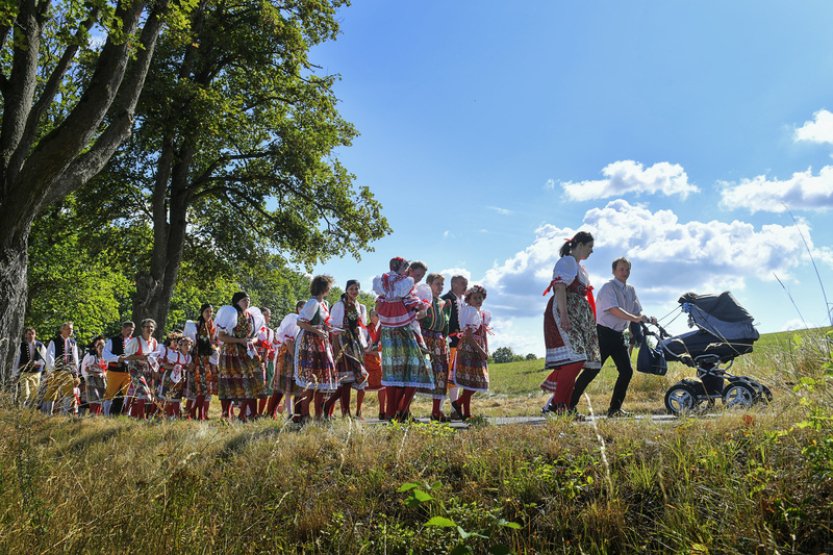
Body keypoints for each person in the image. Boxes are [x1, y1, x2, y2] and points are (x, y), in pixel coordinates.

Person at [570, 257, 656, 417]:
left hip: (617, 336)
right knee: (591, 371)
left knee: (626, 371)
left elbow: (637, 312)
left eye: (627, 269)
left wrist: (647, 318)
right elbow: (614, 310)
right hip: (602, 334)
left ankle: (614, 409)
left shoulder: (630, 290)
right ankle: (569, 407)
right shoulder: (608, 288)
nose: (625, 272)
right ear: (614, 271)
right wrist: (635, 318)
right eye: (621, 269)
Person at [540, 231, 601, 416]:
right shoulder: (567, 262)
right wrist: (564, 315)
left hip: (577, 315)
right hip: (564, 312)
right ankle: (558, 406)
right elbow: (559, 288)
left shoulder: (579, 267)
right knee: (575, 359)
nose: (592, 251)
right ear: (580, 244)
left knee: (577, 360)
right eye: (590, 247)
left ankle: (564, 408)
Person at [373, 257, 433, 421]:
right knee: (397, 371)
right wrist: (410, 311)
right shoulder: (400, 285)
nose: (419, 278)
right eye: (417, 274)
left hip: (408, 328)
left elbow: (423, 312)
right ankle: (394, 411)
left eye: (422, 275)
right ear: (409, 270)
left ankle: (402, 411)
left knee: (411, 370)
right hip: (399, 330)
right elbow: (378, 308)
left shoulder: (405, 286)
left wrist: (415, 312)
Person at [294, 275, 338, 422]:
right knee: (310, 380)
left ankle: (318, 415)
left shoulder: (323, 303)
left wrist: (334, 330)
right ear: (324, 288)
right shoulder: (312, 303)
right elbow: (300, 322)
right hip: (310, 343)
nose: (329, 290)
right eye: (329, 287)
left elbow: (324, 323)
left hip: (321, 343)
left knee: (320, 379)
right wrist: (318, 331)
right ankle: (304, 414)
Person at [216, 292, 263, 421]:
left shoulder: (252, 316)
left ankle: (249, 415)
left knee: (251, 381)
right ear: (237, 301)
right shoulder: (231, 313)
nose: (247, 302)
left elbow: (255, 337)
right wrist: (240, 341)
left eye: (248, 300)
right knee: (229, 383)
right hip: (231, 353)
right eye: (243, 300)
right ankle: (226, 415)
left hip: (247, 352)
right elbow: (221, 336)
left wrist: (250, 341)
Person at [327, 280, 369, 418]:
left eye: (356, 289)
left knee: (352, 379)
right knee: (346, 379)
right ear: (346, 290)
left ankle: (331, 406)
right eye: (351, 288)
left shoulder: (357, 305)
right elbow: (333, 326)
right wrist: (337, 347)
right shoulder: (340, 305)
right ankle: (344, 412)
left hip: (353, 342)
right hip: (341, 342)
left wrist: (358, 332)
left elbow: (359, 324)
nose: (354, 291)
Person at [450, 285, 490, 420]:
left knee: (470, 382)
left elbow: (483, 334)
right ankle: (458, 403)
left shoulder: (479, 313)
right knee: (476, 381)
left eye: (480, 297)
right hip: (469, 348)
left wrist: (485, 348)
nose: (478, 300)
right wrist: (480, 350)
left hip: (475, 347)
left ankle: (466, 413)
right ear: (469, 300)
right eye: (475, 298)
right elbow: (467, 334)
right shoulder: (470, 312)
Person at [417, 273, 452, 421]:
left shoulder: (445, 304)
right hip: (423, 339)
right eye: (437, 283)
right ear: (429, 284)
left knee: (441, 374)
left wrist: (444, 340)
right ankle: (402, 410)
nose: (440, 287)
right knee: (417, 373)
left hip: (439, 341)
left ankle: (436, 411)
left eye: (442, 284)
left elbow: (446, 326)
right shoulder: (422, 301)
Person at [266, 300, 305, 419]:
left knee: (299, 386)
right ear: (297, 308)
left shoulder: (308, 322)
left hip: (300, 354)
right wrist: (295, 356)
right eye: (302, 307)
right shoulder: (294, 319)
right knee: (282, 385)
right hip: (289, 354)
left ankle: (297, 415)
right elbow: (287, 340)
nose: (304, 310)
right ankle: (270, 412)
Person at [185, 304, 218, 420]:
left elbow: (215, 343)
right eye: (207, 311)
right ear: (202, 312)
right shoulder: (195, 326)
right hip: (197, 360)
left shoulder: (212, 327)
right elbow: (189, 345)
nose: (209, 314)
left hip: (208, 361)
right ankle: (191, 413)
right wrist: (190, 361)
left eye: (211, 311)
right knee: (198, 388)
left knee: (206, 389)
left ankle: (201, 414)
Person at [442, 275, 468, 409]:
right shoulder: (446, 299)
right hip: (449, 343)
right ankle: (439, 409)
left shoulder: (463, 301)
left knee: (455, 377)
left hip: (459, 344)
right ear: (454, 285)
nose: (466, 286)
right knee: (446, 377)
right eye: (463, 283)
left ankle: (454, 408)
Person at [124, 319, 159, 419]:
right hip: (135, 369)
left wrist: (155, 371)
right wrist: (140, 357)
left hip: (148, 370)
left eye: (151, 327)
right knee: (143, 392)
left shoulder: (154, 342)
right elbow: (126, 356)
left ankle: (134, 415)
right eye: (147, 326)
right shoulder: (135, 341)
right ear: (142, 328)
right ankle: (140, 417)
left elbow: (154, 358)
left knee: (149, 394)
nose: (149, 329)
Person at [43, 321, 80, 415]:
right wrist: (51, 371)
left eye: (71, 329)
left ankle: (65, 413)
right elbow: (49, 356)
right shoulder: (54, 341)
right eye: (68, 329)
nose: (70, 331)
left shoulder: (73, 342)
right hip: (56, 371)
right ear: (62, 330)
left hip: (68, 372)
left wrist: (76, 372)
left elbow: (75, 358)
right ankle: (48, 414)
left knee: (69, 392)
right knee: (51, 392)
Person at [102, 321, 136, 416]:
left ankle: (127, 414)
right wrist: (118, 358)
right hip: (114, 371)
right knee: (109, 394)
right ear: (123, 329)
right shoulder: (113, 340)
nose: (130, 332)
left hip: (128, 372)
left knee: (129, 394)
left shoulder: (134, 342)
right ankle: (106, 414)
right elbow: (105, 355)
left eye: (132, 331)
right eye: (128, 330)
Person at [157, 333, 192, 418]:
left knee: (176, 397)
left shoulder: (188, 357)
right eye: (185, 345)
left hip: (179, 378)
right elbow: (165, 365)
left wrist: (185, 369)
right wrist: (176, 367)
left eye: (189, 345)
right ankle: (162, 414)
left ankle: (176, 416)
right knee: (167, 396)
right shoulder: (175, 354)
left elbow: (187, 368)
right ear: (180, 346)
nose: (187, 346)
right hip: (170, 377)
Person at [12, 327, 46, 408]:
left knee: (34, 394)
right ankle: (20, 408)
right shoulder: (21, 345)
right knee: (25, 393)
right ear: (26, 335)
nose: (31, 336)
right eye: (29, 334)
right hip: (24, 372)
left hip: (36, 373)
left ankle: (30, 412)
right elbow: (16, 360)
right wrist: (14, 374)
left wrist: (37, 363)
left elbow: (45, 358)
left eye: (32, 334)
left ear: (35, 335)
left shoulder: (40, 345)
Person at [362, 309, 387, 420]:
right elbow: (362, 347)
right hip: (367, 361)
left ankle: (382, 411)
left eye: (376, 315)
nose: (374, 317)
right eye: (372, 315)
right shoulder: (366, 330)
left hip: (382, 360)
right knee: (361, 387)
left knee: (383, 387)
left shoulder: (385, 329)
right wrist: (371, 352)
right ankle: (358, 411)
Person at [255, 308, 279, 416]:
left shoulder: (271, 332)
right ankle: (250, 413)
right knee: (253, 388)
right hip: (253, 361)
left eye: (268, 315)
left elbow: (274, 346)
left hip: (266, 363)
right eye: (264, 315)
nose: (266, 317)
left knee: (265, 389)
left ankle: (260, 413)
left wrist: (271, 353)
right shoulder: (253, 329)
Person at [81, 336, 108, 416]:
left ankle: (97, 416)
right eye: (100, 347)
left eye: (103, 347)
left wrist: (104, 374)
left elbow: (105, 370)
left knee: (100, 398)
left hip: (101, 380)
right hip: (92, 379)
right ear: (96, 348)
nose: (102, 349)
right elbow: (85, 369)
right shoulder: (92, 356)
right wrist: (93, 374)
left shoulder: (104, 358)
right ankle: (93, 416)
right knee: (94, 398)